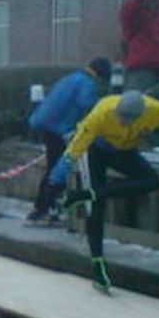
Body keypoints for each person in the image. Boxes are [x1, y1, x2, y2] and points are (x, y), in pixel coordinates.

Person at [47, 91, 159, 292]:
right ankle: (98, 267)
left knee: (151, 181)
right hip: (98, 150)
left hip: (125, 150)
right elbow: (76, 147)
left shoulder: (158, 111)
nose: (123, 123)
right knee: (96, 209)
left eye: (129, 120)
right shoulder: (102, 112)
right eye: (120, 118)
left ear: (141, 114)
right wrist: (57, 178)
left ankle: (86, 194)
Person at [26, 58, 110, 222]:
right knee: (58, 167)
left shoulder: (71, 78)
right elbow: (87, 103)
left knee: (53, 165)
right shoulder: (86, 83)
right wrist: (107, 104)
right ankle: (46, 206)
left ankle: (44, 206)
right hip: (58, 128)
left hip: (44, 122)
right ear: (101, 74)